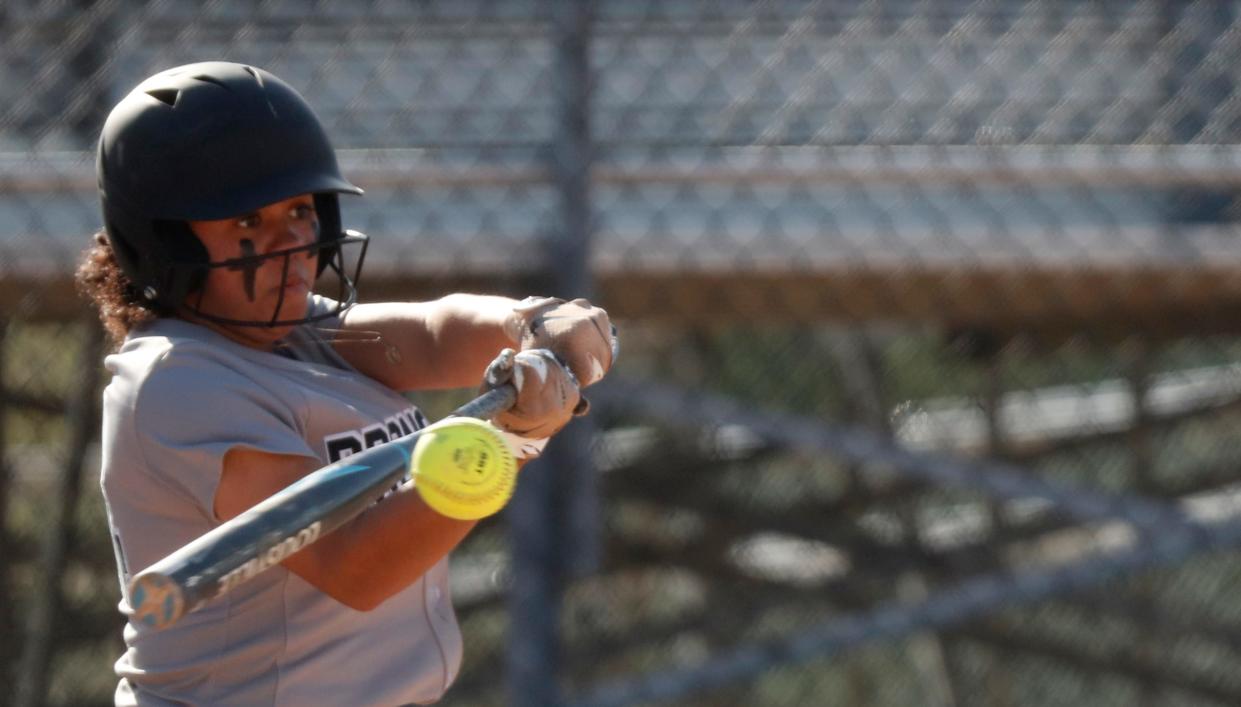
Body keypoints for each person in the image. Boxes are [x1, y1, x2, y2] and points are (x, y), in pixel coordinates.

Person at [76, 61, 614, 706]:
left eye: (299, 210)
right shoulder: (176, 384)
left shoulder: (295, 331)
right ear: (160, 242)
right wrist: (506, 443)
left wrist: (525, 322)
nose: (292, 244)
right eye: (247, 223)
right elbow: (355, 566)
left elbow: (433, 335)